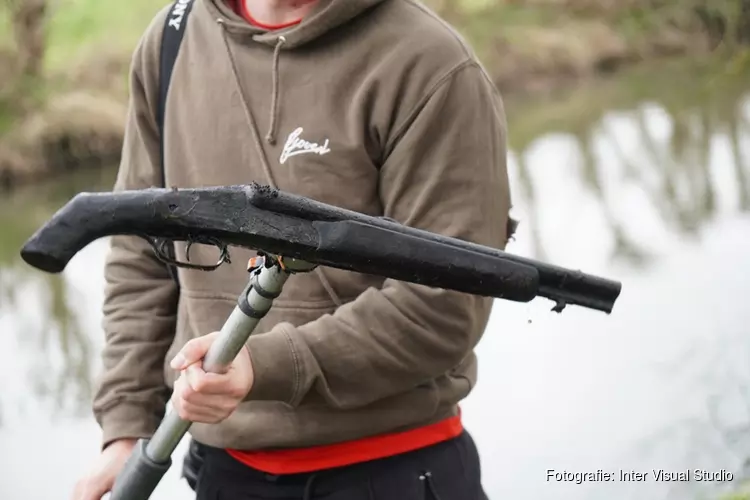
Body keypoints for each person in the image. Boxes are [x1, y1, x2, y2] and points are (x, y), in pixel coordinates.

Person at [72, 0, 513, 498]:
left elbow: (445, 305)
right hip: (224, 474)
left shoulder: (432, 62)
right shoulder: (171, 39)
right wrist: (126, 430)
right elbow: (140, 254)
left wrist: (263, 367)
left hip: (395, 468)